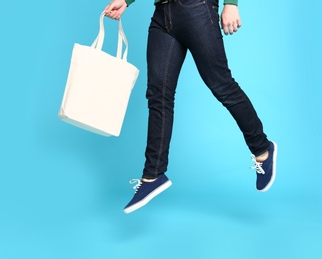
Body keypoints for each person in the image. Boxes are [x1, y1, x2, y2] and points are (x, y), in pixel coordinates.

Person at [104, 0, 277, 214]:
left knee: (222, 85)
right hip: (162, 15)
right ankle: (153, 174)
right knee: (158, 95)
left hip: (196, 9)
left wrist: (231, 3)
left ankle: (262, 149)